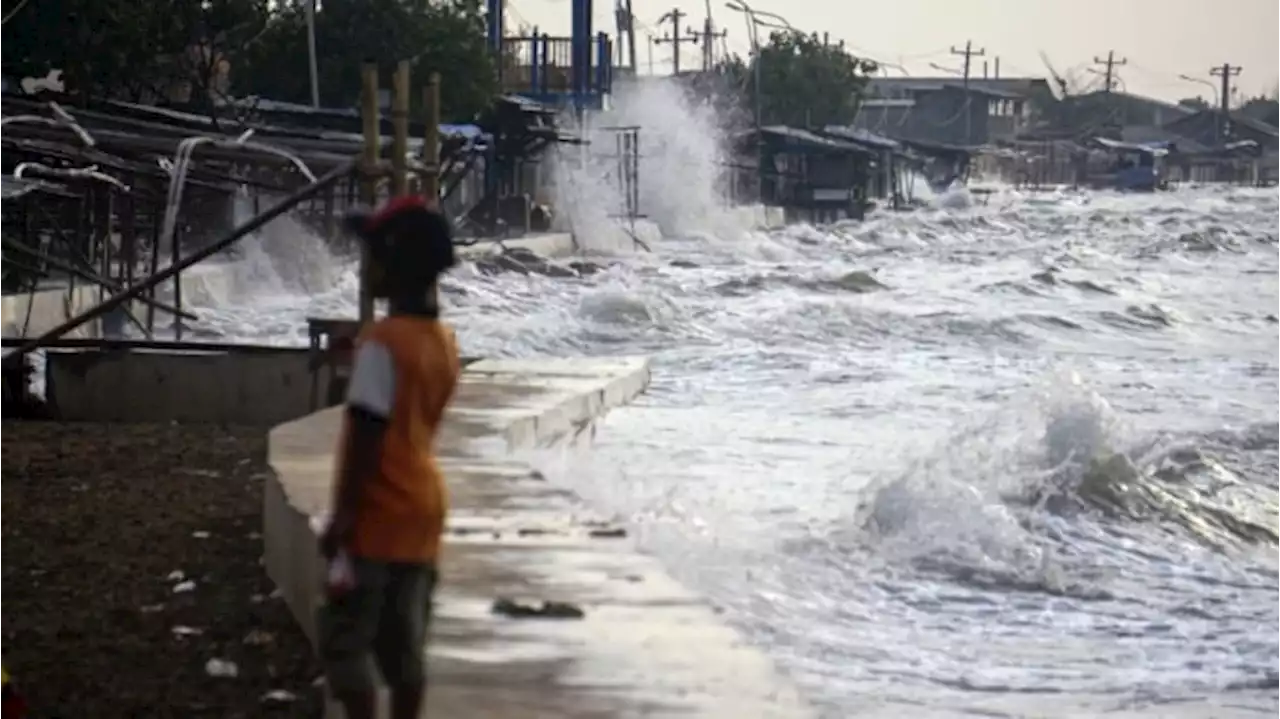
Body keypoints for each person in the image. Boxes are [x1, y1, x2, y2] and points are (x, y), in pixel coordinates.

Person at [317, 195, 461, 719]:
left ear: (394, 265)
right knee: (406, 652)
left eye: (373, 253)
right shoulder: (441, 341)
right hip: (424, 508)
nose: (365, 265)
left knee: (345, 643)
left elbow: (367, 433)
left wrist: (343, 517)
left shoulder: (383, 342)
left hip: (378, 510)